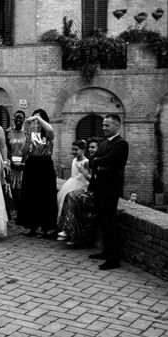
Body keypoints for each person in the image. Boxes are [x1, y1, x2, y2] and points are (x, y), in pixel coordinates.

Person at [87, 114, 129, 270]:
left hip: (110, 189)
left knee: (110, 222)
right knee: (102, 221)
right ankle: (106, 251)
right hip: (99, 187)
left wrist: (98, 162)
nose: (103, 128)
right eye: (103, 125)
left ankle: (114, 258)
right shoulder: (104, 143)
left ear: (117, 126)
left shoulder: (121, 144)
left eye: (107, 125)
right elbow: (92, 161)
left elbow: (109, 161)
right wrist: (98, 163)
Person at [15, 109, 58, 238]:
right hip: (32, 164)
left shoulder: (48, 134)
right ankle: (32, 226)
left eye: (38, 120)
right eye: (34, 120)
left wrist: (38, 118)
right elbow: (23, 152)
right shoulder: (30, 133)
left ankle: (45, 227)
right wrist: (27, 136)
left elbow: (50, 130)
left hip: (45, 165)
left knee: (45, 195)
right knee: (30, 195)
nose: (36, 122)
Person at [58, 138, 100, 248]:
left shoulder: (87, 162)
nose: (74, 152)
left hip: (82, 185)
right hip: (72, 182)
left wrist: (84, 174)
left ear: (82, 150)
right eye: (72, 149)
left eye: (76, 149)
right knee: (64, 201)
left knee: (73, 203)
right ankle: (66, 228)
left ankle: (72, 232)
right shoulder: (76, 160)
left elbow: (90, 178)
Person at [5, 111, 28, 218]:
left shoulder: (27, 133)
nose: (18, 120)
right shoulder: (8, 132)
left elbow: (28, 150)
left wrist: (23, 162)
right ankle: (12, 210)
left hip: (23, 164)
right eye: (16, 118)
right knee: (11, 187)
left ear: (24, 119)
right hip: (11, 163)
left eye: (21, 118)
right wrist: (10, 161)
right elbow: (6, 149)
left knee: (21, 188)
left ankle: (21, 211)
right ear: (14, 119)